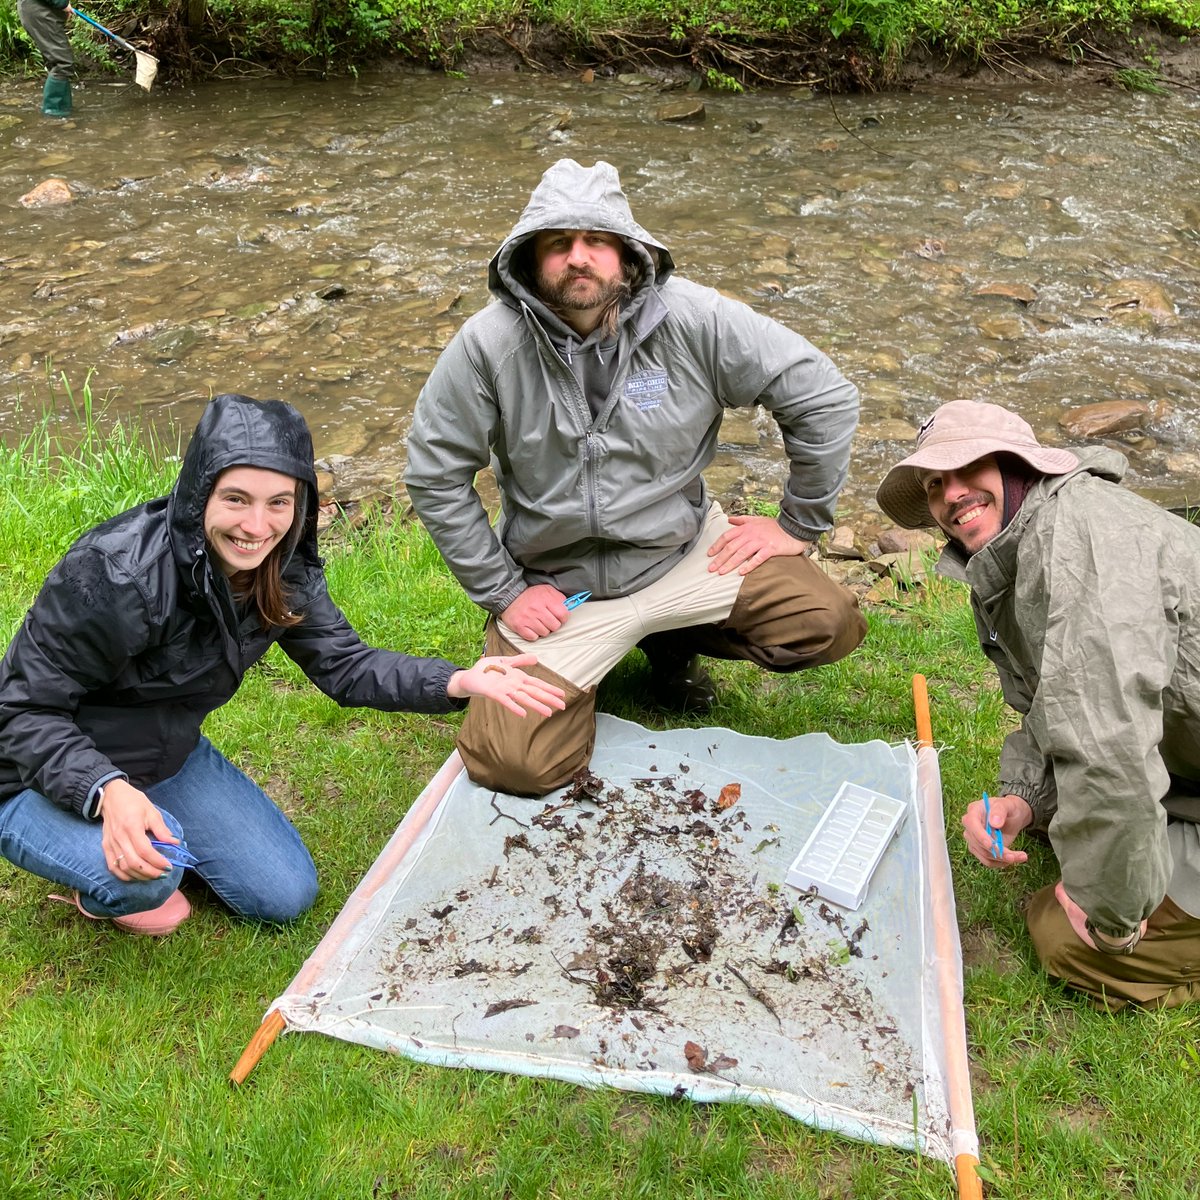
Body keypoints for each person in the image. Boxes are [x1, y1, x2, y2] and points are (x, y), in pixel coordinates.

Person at [0, 393, 564, 937]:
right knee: (153, 879)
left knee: (284, 895)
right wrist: (106, 790)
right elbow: (21, 709)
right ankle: (103, 874)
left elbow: (346, 665)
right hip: (29, 774)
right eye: (236, 499)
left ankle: (151, 831)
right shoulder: (115, 575)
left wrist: (457, 680)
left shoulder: (281, 569)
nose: (257, 526)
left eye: (278, 503)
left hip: (162, 754)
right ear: (199, 495)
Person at [405, 157, 867, 797]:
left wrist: (799, 522)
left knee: (827, 619)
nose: (578, 257)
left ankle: (671, 643)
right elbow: (435, 475)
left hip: (683, 554)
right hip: (560, 588)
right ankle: (602, 657)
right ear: (528, 259)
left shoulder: (696, 319)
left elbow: (823, 396)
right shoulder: (487, 345)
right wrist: (505, 592)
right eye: (558, 243)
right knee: (511, 765)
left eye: (596, 240)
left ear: (628, 252)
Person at [876, 399, 1200, 1010]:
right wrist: (1023, 798)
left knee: (1064, 937)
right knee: (1068, 827)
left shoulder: (1082, 543)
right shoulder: (1025, 539)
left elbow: (1108, 746)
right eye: (935, 482)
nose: (952, 494)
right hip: (1188, 760)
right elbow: (1061, 698)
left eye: (968, 467)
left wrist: (1113, 917)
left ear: (1017, 463)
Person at [18, 0, 74, 117]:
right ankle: (54, 114)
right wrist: (61, 3)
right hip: (39, 9)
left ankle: (64, 110)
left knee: (57, 62)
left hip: (42, 7)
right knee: (62, 62)